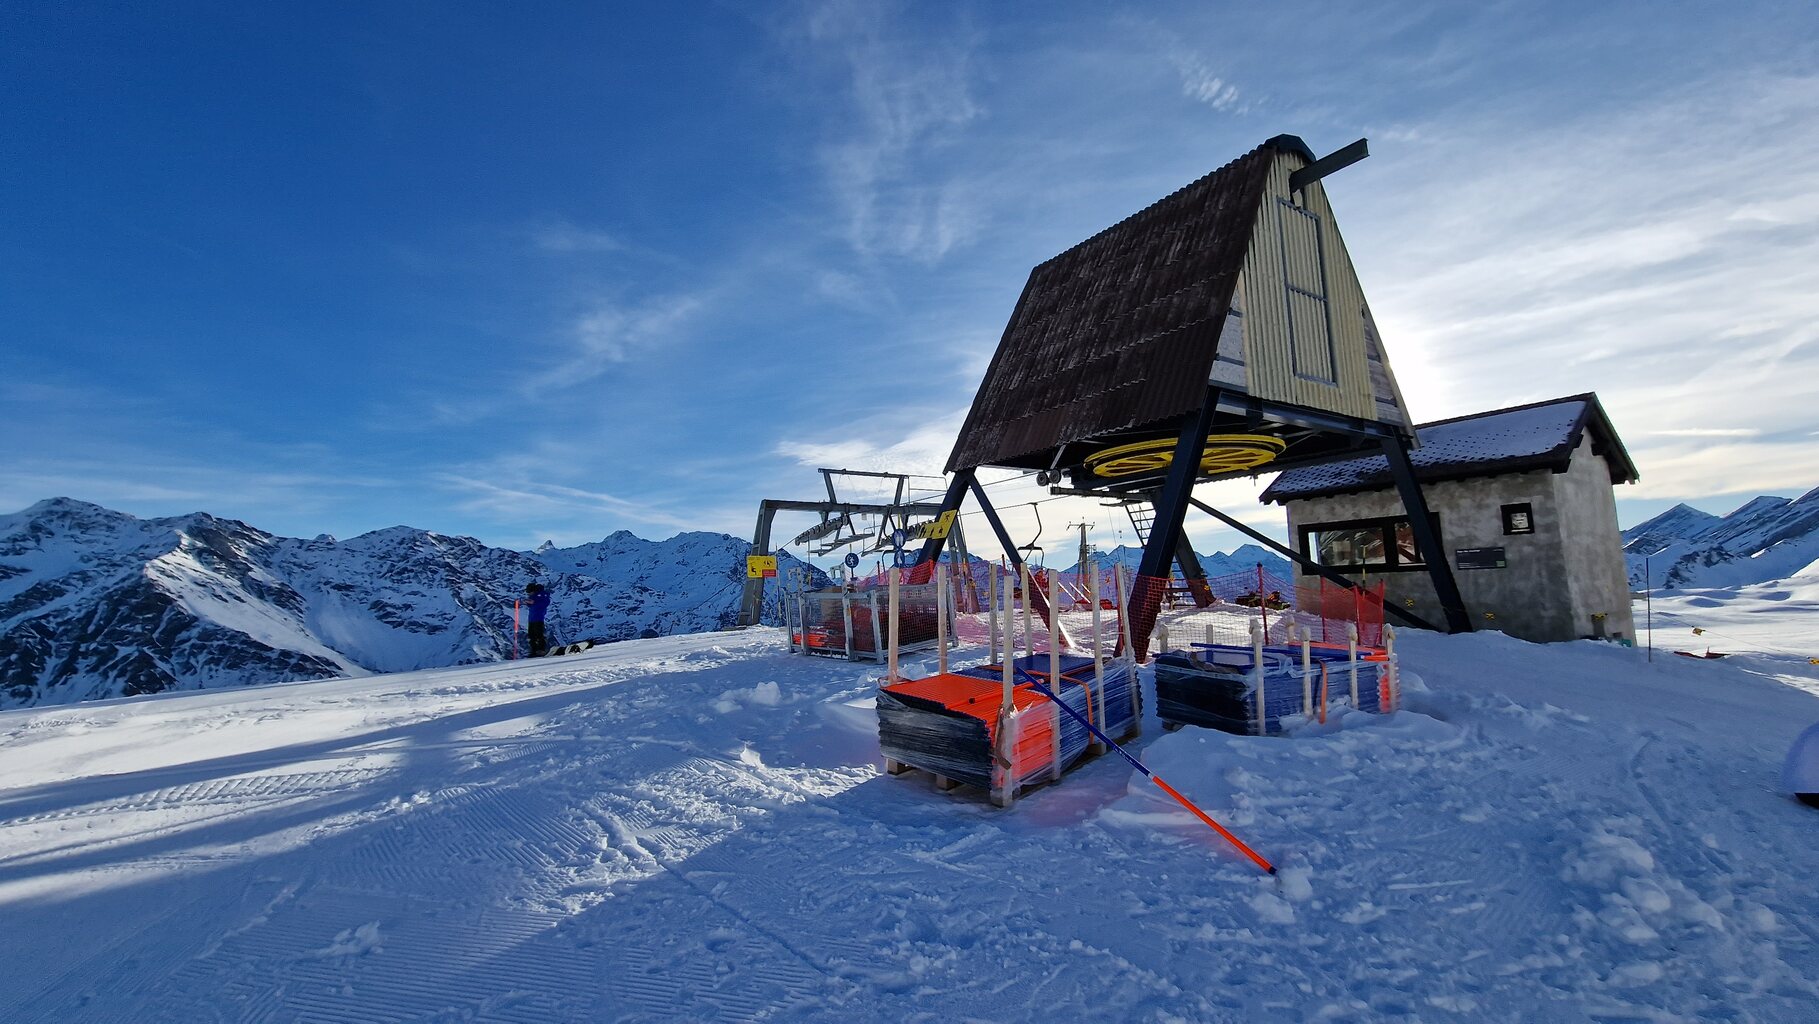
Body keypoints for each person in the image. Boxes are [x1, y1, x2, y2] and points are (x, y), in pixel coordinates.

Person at [524, 582, 552, 657]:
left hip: (538, 618)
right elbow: (532, 604)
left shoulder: (541, 595)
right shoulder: (535, 596)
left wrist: (531, 602)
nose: (529, 594)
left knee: (539, 635)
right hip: (532, 618)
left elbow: (541, 603)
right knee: (532, 635)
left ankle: (541, 650)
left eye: (529, 592)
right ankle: (534, 650)